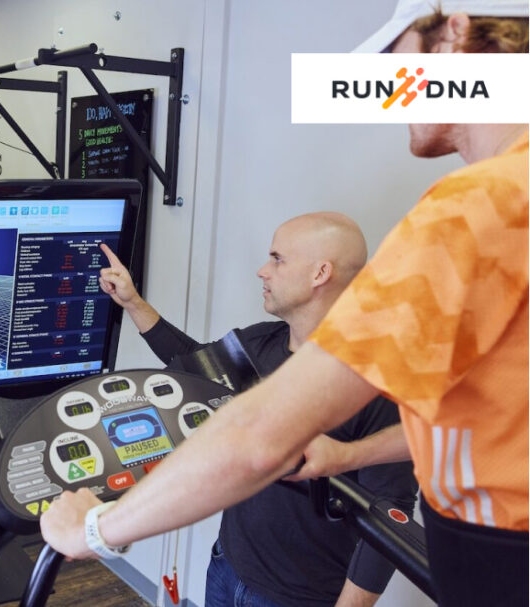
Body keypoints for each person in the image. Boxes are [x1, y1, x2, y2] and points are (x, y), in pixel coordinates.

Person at [40, 2, 528, 606]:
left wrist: (96, 529)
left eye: (397, 65)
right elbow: (485, 416)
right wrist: (347, 455)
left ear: (455, 34)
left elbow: (259, 436)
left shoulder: (483, 205)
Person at [98, 211, 417, 607]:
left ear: (320, 273)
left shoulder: (372, 381)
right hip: (227, 566)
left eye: (277, 259)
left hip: (296, 597)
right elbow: (195, 366)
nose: (263, 271)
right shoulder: (262, 343)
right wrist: (133, 303)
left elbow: (391, 513)